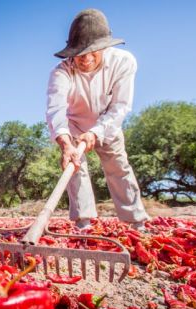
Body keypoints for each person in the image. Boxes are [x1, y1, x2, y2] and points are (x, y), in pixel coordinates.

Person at [46, 8, 149, 231]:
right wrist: (65, 144)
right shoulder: (60, 73)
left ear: (105, 47)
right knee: (75, 169)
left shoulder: (124, 63)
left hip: (108, 123)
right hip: (73, 127)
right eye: (81, 53)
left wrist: (97, 132)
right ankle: (83, 224)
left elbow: (121, 106)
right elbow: (56, 111)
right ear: (72, 52)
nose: (88, 58)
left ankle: (135, 222)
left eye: (94, 51)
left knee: (118, 167)